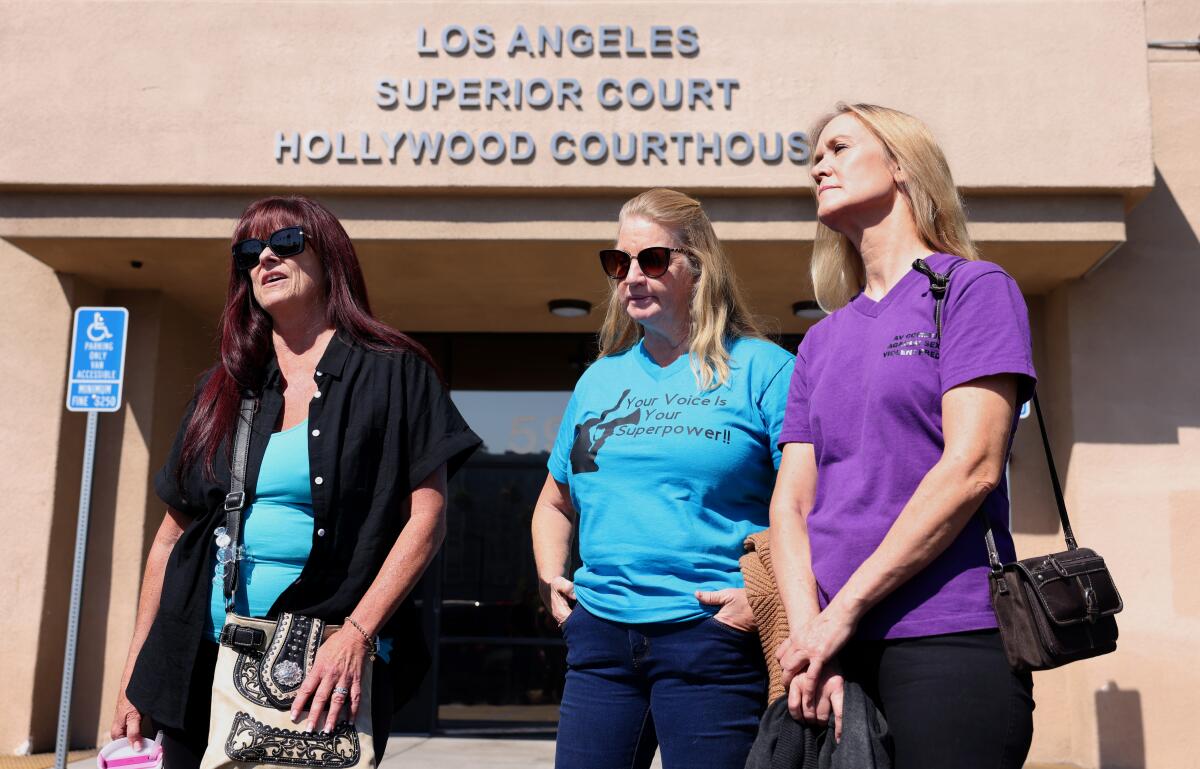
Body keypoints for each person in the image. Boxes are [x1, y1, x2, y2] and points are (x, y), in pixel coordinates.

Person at [110, 195, 480, 767]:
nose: (264, 259)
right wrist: (137, 667)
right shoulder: (222, 388)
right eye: (248, 253)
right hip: (195, 659)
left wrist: (357, 633)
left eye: (285, 243)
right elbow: (169, 539)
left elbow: (425, 520)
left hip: (318, 668)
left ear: (329, 256)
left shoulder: (394, 373)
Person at [770, 102, 1037, 769]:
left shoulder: (974, 290)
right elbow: (790, 505)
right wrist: (811, 635)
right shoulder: (819, 341)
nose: (818, 165)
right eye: (815, 156)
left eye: (838, 147)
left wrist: (843, 612)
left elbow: (972, 466)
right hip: (834, 647)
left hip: (949, 635)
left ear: (901, 165)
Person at [532, 188, 794, 769]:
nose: (630, 276)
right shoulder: (601, 381)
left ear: (698, 267)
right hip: (600, 638)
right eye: (616, 262)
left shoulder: (763, 370)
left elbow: (813, 506)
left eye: (651, 260)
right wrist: (553, 581)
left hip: (710, 636)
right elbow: (555, 501)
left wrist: (761, 598)